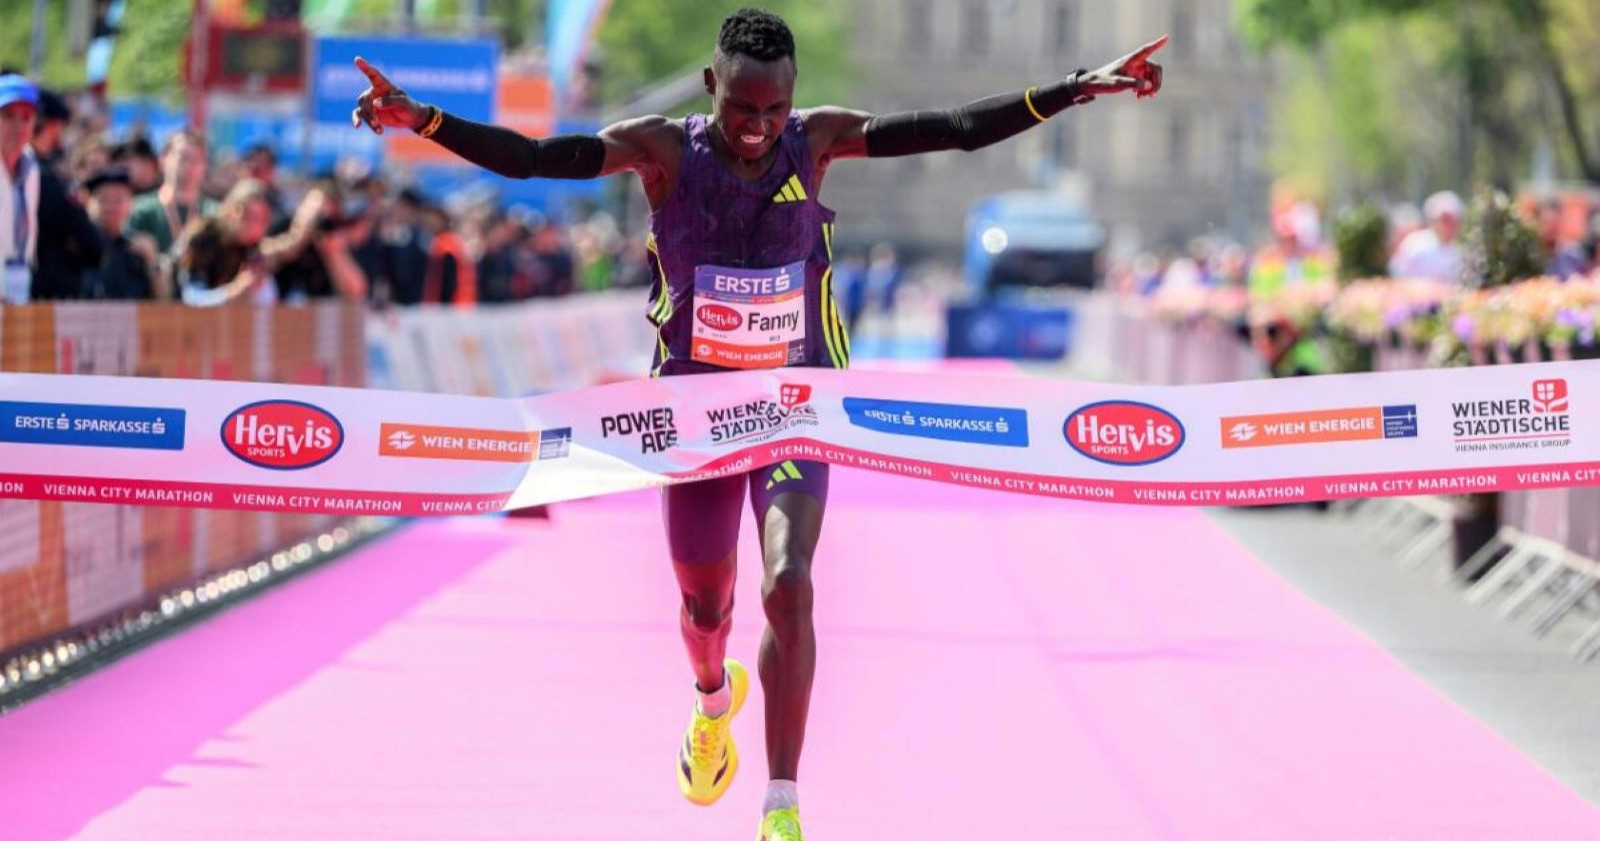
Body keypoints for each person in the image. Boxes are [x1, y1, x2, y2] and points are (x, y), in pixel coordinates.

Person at [352, 9, 1166, 838]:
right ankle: (712, 700)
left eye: (774, 111)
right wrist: (424, 119)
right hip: (694, 412)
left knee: (789, 581)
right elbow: (532, 161)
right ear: (712, 87)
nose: (758, 128)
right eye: (743, 109)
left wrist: (1073, 91)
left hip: (793, 404)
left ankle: (782, 803)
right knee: (706, 609)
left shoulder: (815, 143)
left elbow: (952, 130)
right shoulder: (662, 149)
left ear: (793, 101)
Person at [0, 74, 41, 305]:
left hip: (19, 282)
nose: (17, 126)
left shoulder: (31, 166)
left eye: (25, 118)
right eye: (7, 116)